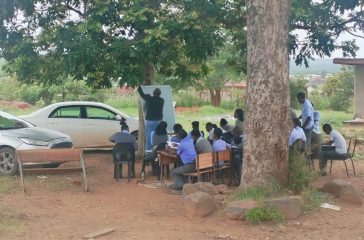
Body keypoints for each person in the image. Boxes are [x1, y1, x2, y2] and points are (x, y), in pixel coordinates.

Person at [137, 86, 164, 151]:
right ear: (159, 94)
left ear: (153, 93)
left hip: (150, 121)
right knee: (157, 136)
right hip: (159, 121)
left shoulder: (149, 98)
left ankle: (149, 152)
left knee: (149, 137)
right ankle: (157, 151)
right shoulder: (162, 100)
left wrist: (139, 87)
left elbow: (142, 94)